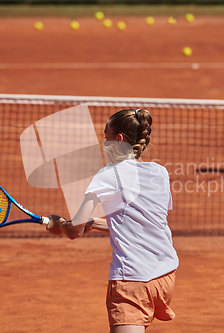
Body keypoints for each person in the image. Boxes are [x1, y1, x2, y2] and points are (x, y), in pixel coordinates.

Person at [47, 108, 179, 333]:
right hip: (166, 276)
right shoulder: (160, 172)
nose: (103, 141)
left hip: (134, 281)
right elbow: (143, 222)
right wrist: (95, 222)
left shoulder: (107, 174)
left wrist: (59, 224)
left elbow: (73, 231)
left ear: (118, 140)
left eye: (106, 136)